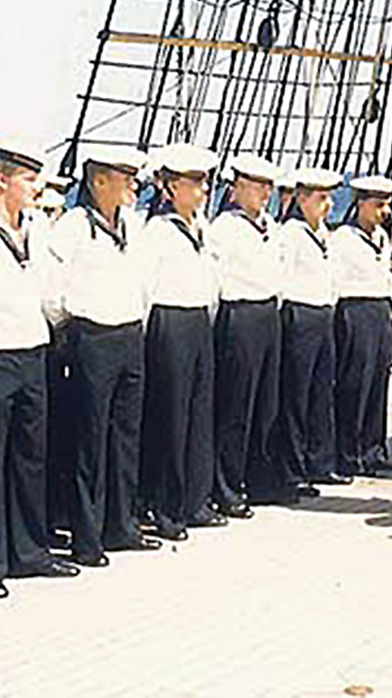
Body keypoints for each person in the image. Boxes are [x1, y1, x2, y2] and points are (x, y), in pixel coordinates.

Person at [0, 140, 80, 600]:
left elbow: (49, 289)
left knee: (30, 458)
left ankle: (29, 550)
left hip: (31, 352)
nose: (35, 188)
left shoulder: (37, 230)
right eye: (27, 179)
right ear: (0, 180)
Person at [49, 146, 162, 568]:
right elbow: (53, 288)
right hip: (91, 336)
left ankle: (122, 524)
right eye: (125, 176)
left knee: (126, 437)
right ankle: (87, 535)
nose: (133, 185)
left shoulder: (134, 224)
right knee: (89, 441)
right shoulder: (74, 227)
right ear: (99, 181)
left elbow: (146, 279)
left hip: (129, 332)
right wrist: (73, 324)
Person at [135, 142, 225, 540]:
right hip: (169, 321)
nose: (203, 190)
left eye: (203, 182)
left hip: (198, 321)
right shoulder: (155, 232)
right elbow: (144, 287)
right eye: (193, 183)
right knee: (170, 419)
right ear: (169, 188)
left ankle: (195, 499)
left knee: (200, 415)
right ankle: (166, 506)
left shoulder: (200, 227)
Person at [205, 153, 285, 515]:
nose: (265, 193)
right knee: (236, 407)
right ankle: (226, 485)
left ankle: (259, 477)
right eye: (257, 186)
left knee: (266, 405)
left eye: (268, 186)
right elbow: (214, 280)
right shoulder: (223, 229)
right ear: (236, 188)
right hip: (239, 314)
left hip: (268, 313)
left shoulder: (271, 225)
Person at [274, 167, 349, 496]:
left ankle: (320, 463)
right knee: (296, 396)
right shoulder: (290, 233)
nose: (328, 204)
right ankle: (292, 470)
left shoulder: (323, 234)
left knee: (321, 394)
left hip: (323, 314)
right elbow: (281, 278)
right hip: (299, 314)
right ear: (301, 199)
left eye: (329, 198)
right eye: (321, 198)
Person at [331, 175, 392, 475]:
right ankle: (348, 452)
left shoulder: (383, 238)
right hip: (355, 308)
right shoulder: (343, 239)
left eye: (387, 204)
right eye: (378, 205)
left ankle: (374, 449)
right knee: (354, 384)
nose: (385, 211)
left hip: (380, 309)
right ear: (361, 204)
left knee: (378, 383)